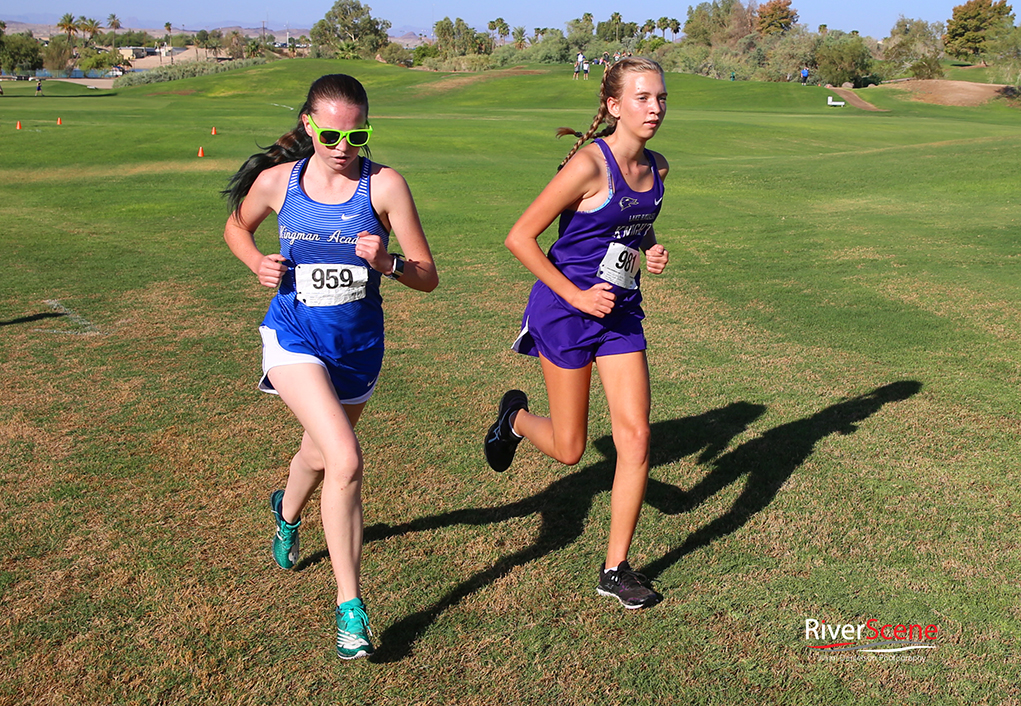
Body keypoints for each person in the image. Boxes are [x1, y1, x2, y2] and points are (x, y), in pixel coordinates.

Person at [223, 73, 438, 659]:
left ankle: (285, 511)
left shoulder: (385, 186)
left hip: (358, 350)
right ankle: (351, 608)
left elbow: (427, 275)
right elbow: (236, 226)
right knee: (345, 458)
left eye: (358, 135)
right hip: (292, 336)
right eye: (333, 135)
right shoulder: (277, 182)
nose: (345, 147)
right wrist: (255, 264)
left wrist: (390, 263)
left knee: (318, 454)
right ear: (310, 125)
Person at [484, 57, 670, 610]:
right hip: (566, 312)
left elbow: (635, 226)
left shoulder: (659, 168)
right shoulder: (591, 166)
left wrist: (651, 249)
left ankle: (615, 569)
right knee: (569, 448)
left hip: (619, 315)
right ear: (614, 106)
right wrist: (576, 295)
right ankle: (513, 418)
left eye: (660, 97)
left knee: (635, 437)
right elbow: (519, 237)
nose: (655, 108)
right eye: (642, 98)